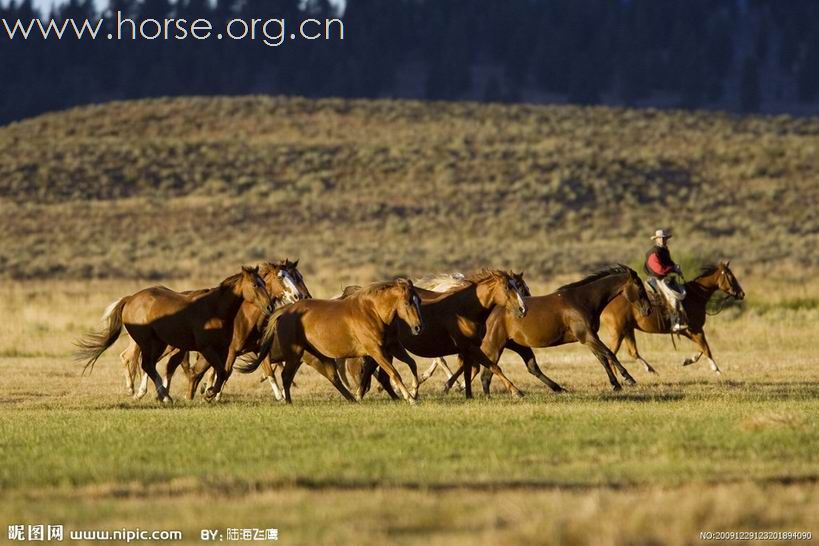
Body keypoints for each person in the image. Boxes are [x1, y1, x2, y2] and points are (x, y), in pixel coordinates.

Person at [644, 229, 688, 332]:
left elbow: (669, 263)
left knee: (681, 291)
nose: (663, 240)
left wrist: (675, 268)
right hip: (656, 279)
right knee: (672, 296)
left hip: (664, 278)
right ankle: (675, 323)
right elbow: (659, 269)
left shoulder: (664, 250)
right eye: (661, 238)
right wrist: (672, 269)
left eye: (664, 238)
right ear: (656, 240)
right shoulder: (653, 253)